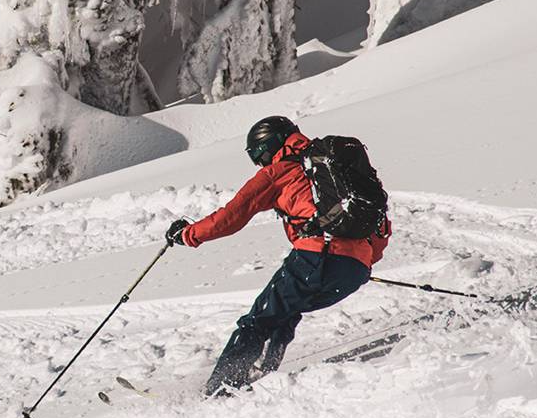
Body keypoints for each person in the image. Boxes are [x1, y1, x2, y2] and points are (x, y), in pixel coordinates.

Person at [165, 116, 391, 396]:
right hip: (354, 268)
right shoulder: (331, 165)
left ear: (267, 146)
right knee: (284, 311)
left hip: (319, 255)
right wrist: (363, 262)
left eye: (258, 156)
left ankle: (218, 391)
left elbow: (233, 215)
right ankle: (259, 371)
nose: (260, 163)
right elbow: (376, 219)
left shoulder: (280, 171)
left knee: (258, 320)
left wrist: (188, 234)